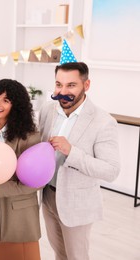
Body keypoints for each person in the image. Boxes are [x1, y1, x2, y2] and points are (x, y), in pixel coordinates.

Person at [39, 62, 120, 260]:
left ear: (86, 85)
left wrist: (72, 152)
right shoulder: (48, 110)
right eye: (59, 84)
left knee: (76, 257)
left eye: (71, 85)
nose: (62, 91)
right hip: (48, 197)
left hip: (77, 204)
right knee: (60, 253)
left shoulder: (103, 121)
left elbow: (111, 170)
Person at [0, 79, 42, 260]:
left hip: (19, 217)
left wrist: (2, 188)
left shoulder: (30, 137)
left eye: (6, 100)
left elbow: (36, 182)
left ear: (17, 106)